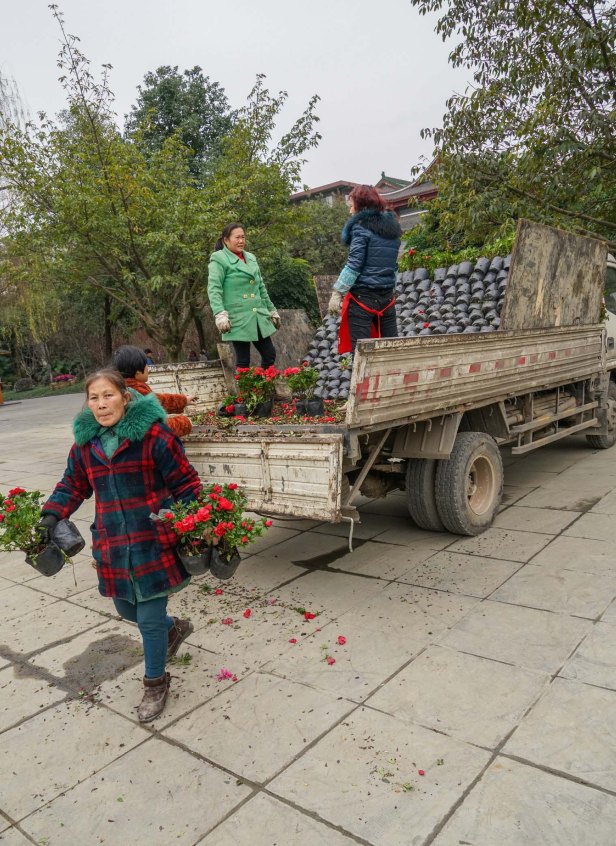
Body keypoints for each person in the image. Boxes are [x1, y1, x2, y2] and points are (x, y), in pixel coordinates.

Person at [37, 369, 202, 721]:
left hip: (153, 538)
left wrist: (194, 522)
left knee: (148, 616)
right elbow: (72, 485)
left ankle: (155, 683)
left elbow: (185, 482)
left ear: (125, 397)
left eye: (108, 395)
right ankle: (174, 628)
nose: (101, 404)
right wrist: (51, 516)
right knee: (127, 609)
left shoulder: (155, 435)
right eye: (94, 398)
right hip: (111, 540)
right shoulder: (86, 445)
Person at [328, 185, 402, 354]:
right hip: (387, 299)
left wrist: (337, 292)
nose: (350, 211)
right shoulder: (392, 230)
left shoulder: (360, 227)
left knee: (363, 356)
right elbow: (393, 267)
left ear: (361, 205)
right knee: (392, 352)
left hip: (363, 300)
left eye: (352, 205)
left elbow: (354, 265)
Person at [208, 223, 281, 368]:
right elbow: (214, 288)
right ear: (226, 240)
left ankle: (264, 387)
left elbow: (261, 287)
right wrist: (219, 313)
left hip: (258, 315)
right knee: (243, 359)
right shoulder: (219, 258)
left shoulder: (251, 258)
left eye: (243, 237)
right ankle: (247, 390)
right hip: (238, 316)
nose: (241, 241)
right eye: (237, 238)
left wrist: (272, 310)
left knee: (269, 354)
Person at [111, 345, 196, 438]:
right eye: (145, 364)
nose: (148, 367)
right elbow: (155, 429)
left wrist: (184, 400)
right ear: (137, 372)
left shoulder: (123, 388)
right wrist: (185, 423)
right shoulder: (134, 393)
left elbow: (159, 400)